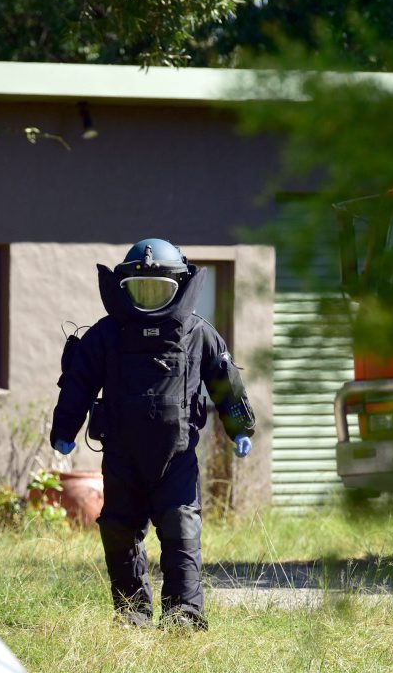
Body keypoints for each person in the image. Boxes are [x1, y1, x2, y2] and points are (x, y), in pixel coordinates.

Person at [50, 238, 256, 630]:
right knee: (119, 530)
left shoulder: (198, 333)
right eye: (140, 290)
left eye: (159, 290)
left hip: (177, 458)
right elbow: (77, 383)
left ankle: (184, 612)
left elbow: (225, 382)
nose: (149, 299)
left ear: (179, 285)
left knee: (181, 530)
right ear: (123, 288)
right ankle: (132, 611)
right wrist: (64, 429)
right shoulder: (106, 335)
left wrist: (240, 427)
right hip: (122, 456)